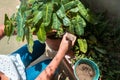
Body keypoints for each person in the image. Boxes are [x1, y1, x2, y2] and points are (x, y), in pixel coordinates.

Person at [0, 24, 76, 80]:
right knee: (51, 64)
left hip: (11, 60)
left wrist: (32, 30)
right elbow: (43, 77)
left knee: (40, 45)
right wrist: (62, 51)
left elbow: (3, 29)